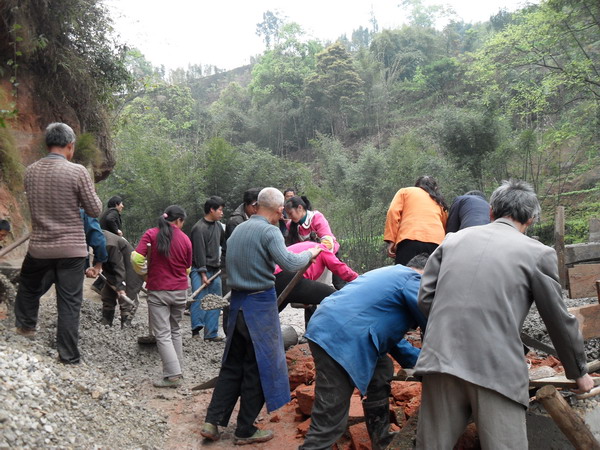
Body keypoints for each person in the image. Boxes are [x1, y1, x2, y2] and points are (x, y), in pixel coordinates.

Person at [414, 179, 594, 449]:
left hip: (439, 361)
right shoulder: (537, 253)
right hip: (495, 370)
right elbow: (557, 319)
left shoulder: (452, 240)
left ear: (491, 211)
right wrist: (579, 372)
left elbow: (426, 297)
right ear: (531, 219)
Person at [200, 187, 321, 445]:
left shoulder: (238, 230)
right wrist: (312, 252)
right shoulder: (270, 231)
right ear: (279, 210)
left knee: (232, 365)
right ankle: (245, 430)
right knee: (258, 367)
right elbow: (290, 263)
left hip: (236, 305)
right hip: (259, 307)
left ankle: (212, 421)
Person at [299, 254, 429, 450]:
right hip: (340, 337)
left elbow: (392, 340)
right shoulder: (413, 279)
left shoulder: (391, 275)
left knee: (381, 369)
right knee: (331, 416)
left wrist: (420, 364)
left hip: (333, 326)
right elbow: (432, 320)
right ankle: (315, 446)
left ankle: (381, 438)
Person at [14, 122, 102, 364]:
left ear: (47, 144)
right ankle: (68, 356)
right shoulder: (78, 172)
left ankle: (26, 328)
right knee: (69, 303)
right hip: (71, 251)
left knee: (28, 287)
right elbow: (94, 210)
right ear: (70, 146)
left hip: (40, 247)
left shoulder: (30, 171)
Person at [131, 206, 192, 388]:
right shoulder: (185, 239)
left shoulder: (151, 234)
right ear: (179, 220)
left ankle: (172, 376)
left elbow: (136, 258)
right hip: (180, 291)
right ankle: (178, 370)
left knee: (163, 333)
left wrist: (144, 274)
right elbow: (187, 268)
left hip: (159, 290)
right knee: (175, 330)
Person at [274, 240, 358, 325]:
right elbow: (340, 268)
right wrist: (359, 280)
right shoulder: (321, 249)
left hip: (272, 278)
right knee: (335, 297)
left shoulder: (306, 244)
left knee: (270, 315)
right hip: (289, 278)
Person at [384, 175, 448, 266]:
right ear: (435, 188)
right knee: (432, 274)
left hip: (410, 239)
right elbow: (445, 225)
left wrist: (391, 241)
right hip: (436, 243)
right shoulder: (439, 201)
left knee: (405, 272)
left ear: (417, 185)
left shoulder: (405, 191)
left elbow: (393, 212)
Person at [189, 196, 226, 341]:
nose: (222, 213)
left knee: (215, 301)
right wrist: (203, 274)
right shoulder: (199, 228)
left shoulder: (219, 227)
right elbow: (199, 252)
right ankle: (196, 331)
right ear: (212, 210)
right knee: (199, 299)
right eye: (220, 210)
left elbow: (223, 245)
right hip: (199, 270)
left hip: (215, 269)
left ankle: (211, 333)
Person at [98, 230, 143, 328]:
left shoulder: (110, 244)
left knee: (125, 299)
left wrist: (121, 288)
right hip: (112, 269)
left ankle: (125, 327)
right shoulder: (96, 238)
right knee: (107, 295)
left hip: (130, 268)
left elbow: (118, 267)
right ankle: (106, 325)